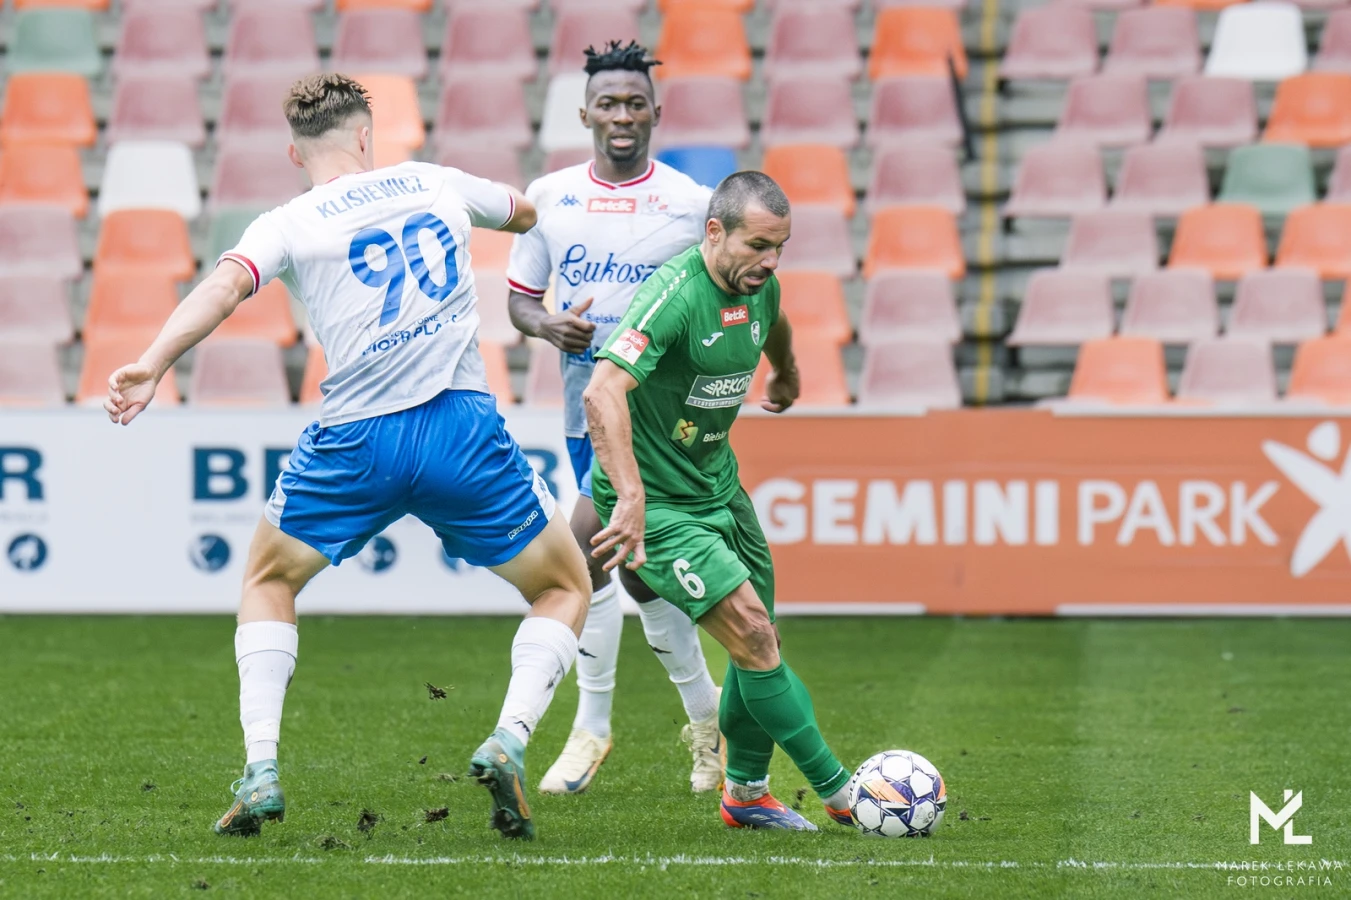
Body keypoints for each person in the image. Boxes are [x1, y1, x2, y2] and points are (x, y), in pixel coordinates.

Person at [103, 74, 591, 842]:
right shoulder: (433, 181)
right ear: (366, 135)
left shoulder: (288, 222)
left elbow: (224, 287)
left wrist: (152, 362)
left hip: (356, 439)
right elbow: (524, 211)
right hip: (459, 430)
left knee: (268, 581)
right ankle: (510, 737)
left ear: (294, 153)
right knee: (564, 586)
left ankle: (261, 768)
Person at [583, 172, 854, 830]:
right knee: (755, 635)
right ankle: (846, 795)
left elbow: (773, 321)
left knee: (756, 643)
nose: (771, 261)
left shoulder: (761, 287)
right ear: (714, 232)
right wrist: (630, 497)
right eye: (758, 245)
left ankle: (746, 795)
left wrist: (786, 370)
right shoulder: (674, 296)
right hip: (657, 507)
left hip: (719, 489)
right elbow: (601, 391)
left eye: (780, 247)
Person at [506, 41, 724, 795]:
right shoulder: (551, 196)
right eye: (609, 103)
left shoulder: (692, 205)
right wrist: (547, 326)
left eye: (635, 103)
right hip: (582, 410)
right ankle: (708, 720)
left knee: (587, 551)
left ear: (656, 112)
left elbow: (726, 294)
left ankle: (591, 727)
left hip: (656, 417)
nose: (622, 115)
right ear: (585, 114)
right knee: (638, 575)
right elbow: (519, 301)